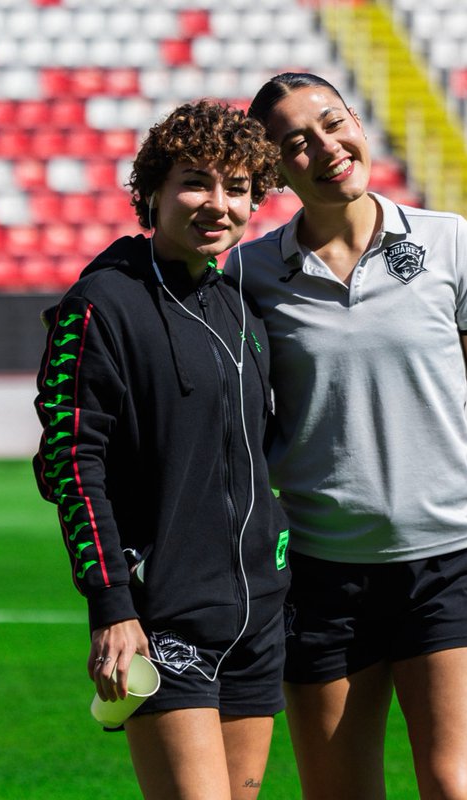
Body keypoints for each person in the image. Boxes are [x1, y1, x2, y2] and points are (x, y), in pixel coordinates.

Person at [236, 73, 467, 799]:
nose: (326, 148)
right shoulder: (249, 273)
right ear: (275, 169)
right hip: (318, 576)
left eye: (333, 123)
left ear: (359, 124)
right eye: (297, 142)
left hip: (448, 566)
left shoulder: (447, 241)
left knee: (457, 786)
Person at [32, 100, 290, 800]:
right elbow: (70, 464)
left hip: (257, 617)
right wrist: (112, 605)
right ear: (151, 191)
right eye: (195, 181)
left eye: (237, 188)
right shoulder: (102, 305)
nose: (219, 203)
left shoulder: (242, 306)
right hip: (162, 617)